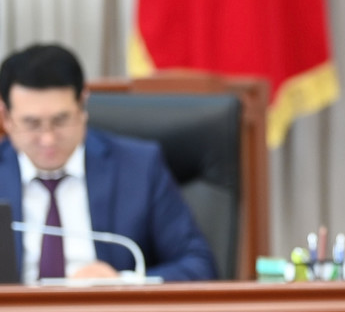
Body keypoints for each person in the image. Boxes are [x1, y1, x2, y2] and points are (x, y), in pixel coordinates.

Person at [0, 43, 216, 282]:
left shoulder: (138, 167)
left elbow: (199, 264)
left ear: (83, 105)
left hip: (108, 304)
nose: (48, 139)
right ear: (6, 117)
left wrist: (123, 282)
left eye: (61, 120)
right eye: (32, 124)